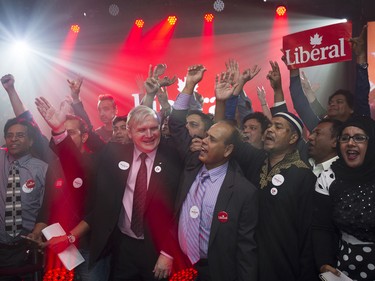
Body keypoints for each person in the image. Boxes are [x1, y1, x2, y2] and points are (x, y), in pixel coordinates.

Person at [169, 65, 258, 280]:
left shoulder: (243, 191)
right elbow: (176, 124)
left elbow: (246, 250)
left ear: (228, 150)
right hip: (180, 265)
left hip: (216, 272)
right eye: (206, 136)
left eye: (212, 140)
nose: (203, 142)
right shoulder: (192, 163)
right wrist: (190, 85)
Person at [313, 115, 375, 280]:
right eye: (345, 138)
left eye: (359, 138)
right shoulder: (329, 177)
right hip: (345, 267)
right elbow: (322, 227)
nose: (351, 143)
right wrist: (324, 262)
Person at [0, 118, 48, 278]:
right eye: (9, 135)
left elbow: (47, 206)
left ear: (31, 141)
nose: (13, 139)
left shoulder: (42, 169)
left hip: (27, 248)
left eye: (20, 135)